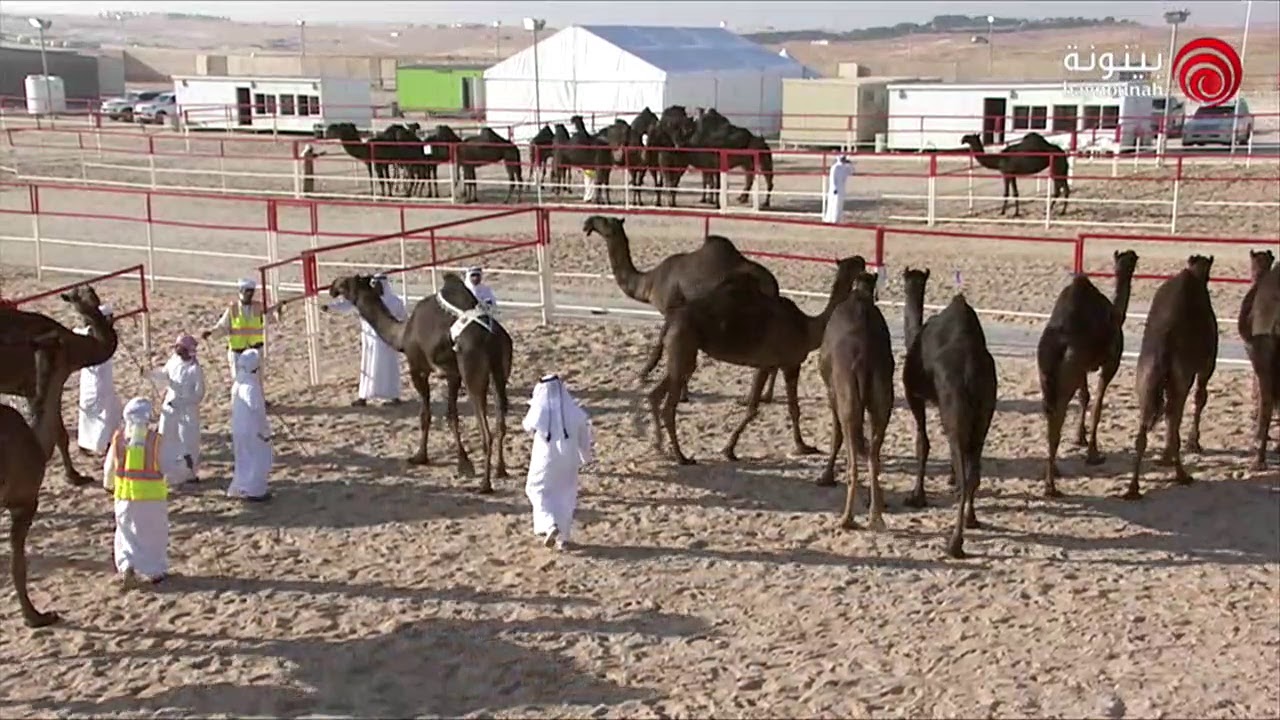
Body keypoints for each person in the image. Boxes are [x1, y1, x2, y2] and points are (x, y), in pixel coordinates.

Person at [103, 397, 180, 586]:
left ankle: (127, 565)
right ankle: (155, 571)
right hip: (151, 499)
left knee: (126, 534)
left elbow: (109, 468)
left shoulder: (119, 438)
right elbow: (168, 465)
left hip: (124, 497)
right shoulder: (155, 441)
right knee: (153, 536)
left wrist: (109, 485)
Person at [522, 374, 593, 551]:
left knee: (535, 490)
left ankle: (549, 524)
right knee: (565, 496)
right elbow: (584, 438)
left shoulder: (540, 410)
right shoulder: (575, 412)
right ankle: (563, 539)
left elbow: (527, 425)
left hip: (544, 461)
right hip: (569, 462)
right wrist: (586, 457)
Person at [321, 272, 407, 406]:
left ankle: (393, 396)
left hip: (388, 341)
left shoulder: (395, 302)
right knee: (368, 367)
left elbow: (403, 319)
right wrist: (330, 307)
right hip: (370, 340)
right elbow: (347, 305)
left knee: (389, 368)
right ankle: (364, 397)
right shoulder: (367, 300)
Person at [148, 334, 206, 486]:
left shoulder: (195, 370)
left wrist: (183, 402)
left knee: (187, 441)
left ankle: (189, 474)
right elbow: (165, 375)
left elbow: (199, 394)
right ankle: (165, 470)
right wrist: (149, 374)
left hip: (187, 411)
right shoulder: (174, 360)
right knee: (166, 437)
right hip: (170, 406)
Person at [227, 348, 272, 502]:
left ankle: (241, 485)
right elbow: (257, 411)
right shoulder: (251, 387)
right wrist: (264, 430)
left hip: (238, 427)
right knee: (256, 458)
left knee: (242, 459)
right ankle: (255, 490)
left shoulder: (238, 383)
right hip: (252, 429)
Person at [76, 304, 122, 456]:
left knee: (109, 409)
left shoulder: (106, 335)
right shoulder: (87, 334)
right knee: (95, 410)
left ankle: (105, 440)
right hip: (93, 378)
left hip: (103, 377)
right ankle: (93, 443)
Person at [202, 277, 267, 383]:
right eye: (247, 291)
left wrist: (278, 310)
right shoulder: (233, 309)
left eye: (251, 292)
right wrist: (211, 332)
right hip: (238, 352)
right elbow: (223, 326)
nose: (249, 294)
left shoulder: (258, 307)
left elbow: (270, 318)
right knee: (239, 381)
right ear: (241, 291)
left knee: (257, 380)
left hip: (255, 351)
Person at [822, 155, 854, 224]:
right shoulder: (835, 167)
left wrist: (850, 164)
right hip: (835, 189)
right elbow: (832, 179)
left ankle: (837, 218)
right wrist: (835, 188)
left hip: (841, 188)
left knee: (839, 204)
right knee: (833, 203)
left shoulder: (845, 167)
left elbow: (851, 172)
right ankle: (832, 219)